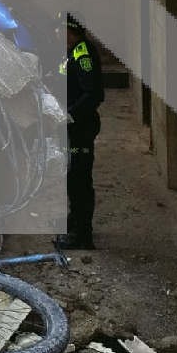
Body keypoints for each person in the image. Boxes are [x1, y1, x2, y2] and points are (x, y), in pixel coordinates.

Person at [55, 14, 103, 250]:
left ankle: (83, 235)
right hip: (72, 127)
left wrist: (70, 114)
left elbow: (94, 94)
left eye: (60, 29)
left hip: (80, 127)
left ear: (70, 30)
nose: (57, 33)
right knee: (73, 177)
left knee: (79, 181)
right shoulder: (72, 50)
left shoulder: (83, 54)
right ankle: (75, 221)